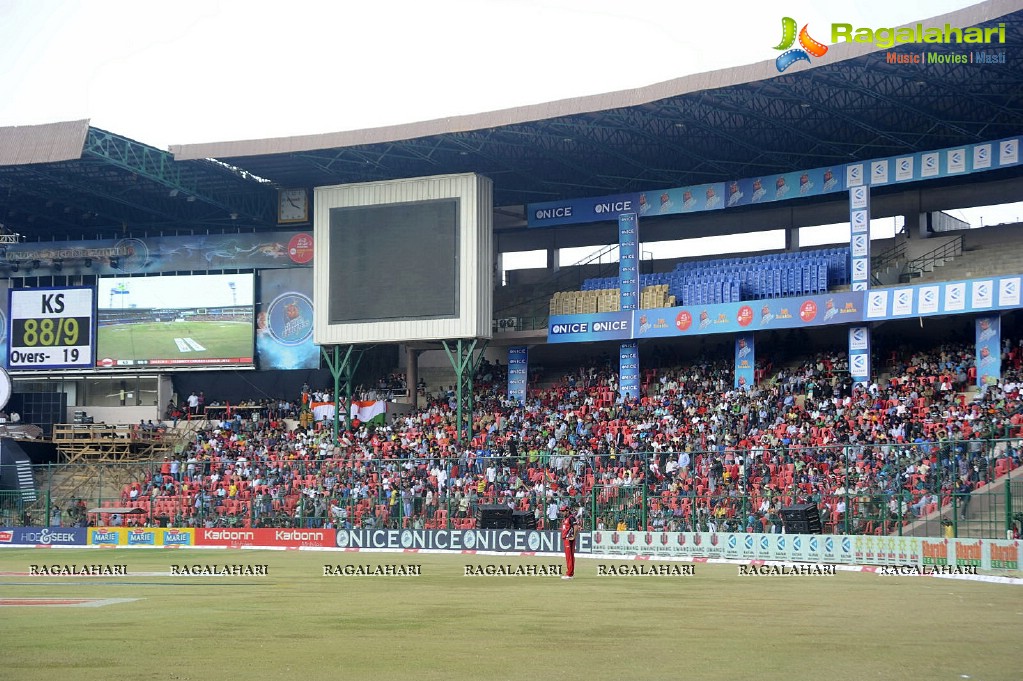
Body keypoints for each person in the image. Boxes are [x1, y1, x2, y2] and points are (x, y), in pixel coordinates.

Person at [561, 508, 578, 580]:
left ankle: (569, 574)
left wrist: (573, 536)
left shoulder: (571, 518)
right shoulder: (566, 518)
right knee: (569, 556)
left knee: (569, 557)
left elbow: (576, 527)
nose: (562, 513)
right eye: (562, 511)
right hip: (567, 539)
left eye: (563, 511)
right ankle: (570, 573)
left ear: (567, 511)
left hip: (569, 539)